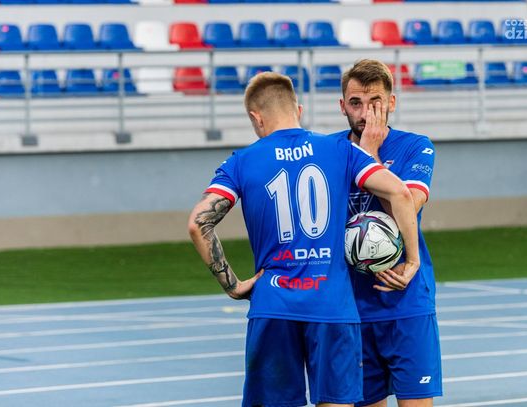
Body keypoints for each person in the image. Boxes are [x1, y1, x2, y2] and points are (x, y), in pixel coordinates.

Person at [188, 71, 421, 407]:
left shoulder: (241, 161)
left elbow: (198, 224)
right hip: (332, 306)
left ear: (256, 118)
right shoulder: (340, 150)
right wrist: (411, 259)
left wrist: (233, 285)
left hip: (273, 305)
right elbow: (400, 193)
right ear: (298, 110)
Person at [330, 59, 442, 407]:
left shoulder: (415, 146)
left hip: (406, 303)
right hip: (351, 309)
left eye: (375, 102)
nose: (366, 113)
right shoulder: (328, 152)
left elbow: (405, 208)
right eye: (356, 103)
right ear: (342, 106)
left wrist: (369, 156)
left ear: (391, 102)